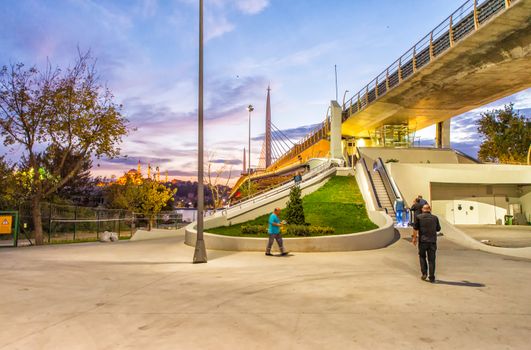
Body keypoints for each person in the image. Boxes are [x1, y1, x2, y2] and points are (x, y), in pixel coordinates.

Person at [412, 204, 441, 283]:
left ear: (422, 209)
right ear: (430, 209)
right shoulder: (435, 218)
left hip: (423, 241)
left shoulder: (419, 217)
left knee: (422, 257)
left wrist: (414, 238)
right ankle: (432, 277)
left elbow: (415, 228)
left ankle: (424, 274)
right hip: (432, 241)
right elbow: (438, 229)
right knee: (432, 259)